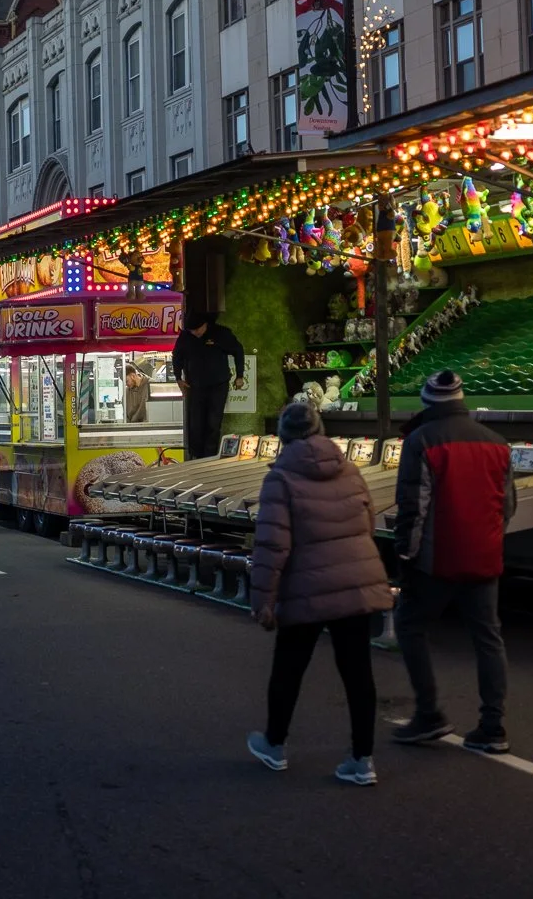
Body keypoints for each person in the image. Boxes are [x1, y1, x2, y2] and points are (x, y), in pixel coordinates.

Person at [245, 399, 393, 786]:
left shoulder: (280, 478)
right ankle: (362, 760)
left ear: (283, 437)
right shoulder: (351, 469)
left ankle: (274, 745)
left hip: (307, 587)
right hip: (355, 582)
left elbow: (272, 544)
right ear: (320, 430)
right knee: (358, 671)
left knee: (289, 667)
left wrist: (262, 601)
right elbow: (368, 522)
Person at [390, 370, 516, 754]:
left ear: (427, 403)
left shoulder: (420, 441)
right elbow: (507, 506)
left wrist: (404, 558)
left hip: (436, 560)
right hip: (484, 558)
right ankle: (492, 727)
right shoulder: (498, 444)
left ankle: (429, 714)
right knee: (488, 639)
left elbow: (414, 508)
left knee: (409, 626)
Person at [172, 310, 245, 459]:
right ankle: (196, 456)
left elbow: (238, 351)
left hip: (218, 384)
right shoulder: (186, 336)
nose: (195, 333)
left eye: (197, 329)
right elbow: (177, 356)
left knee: (213, 423)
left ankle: (209, 457)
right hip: (195, 385)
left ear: (205, 324)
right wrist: (178, 377)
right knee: (196, 423)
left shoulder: (220, 333)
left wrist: (240, 375)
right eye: (192, 330)